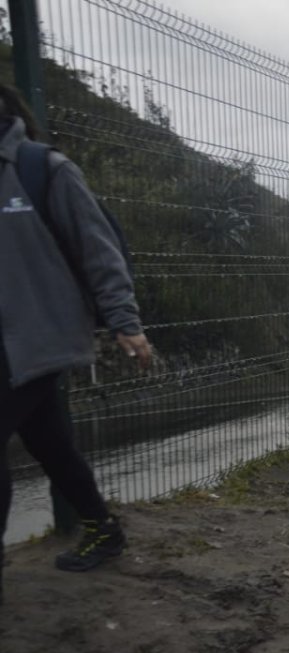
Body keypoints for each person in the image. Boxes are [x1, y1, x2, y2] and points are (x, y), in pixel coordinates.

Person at [0, 83, 153, 604]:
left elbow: (98, 249)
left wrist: (124, 322)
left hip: (36, 338)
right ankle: (103, 530)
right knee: (50, 441)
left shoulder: (44, 169)